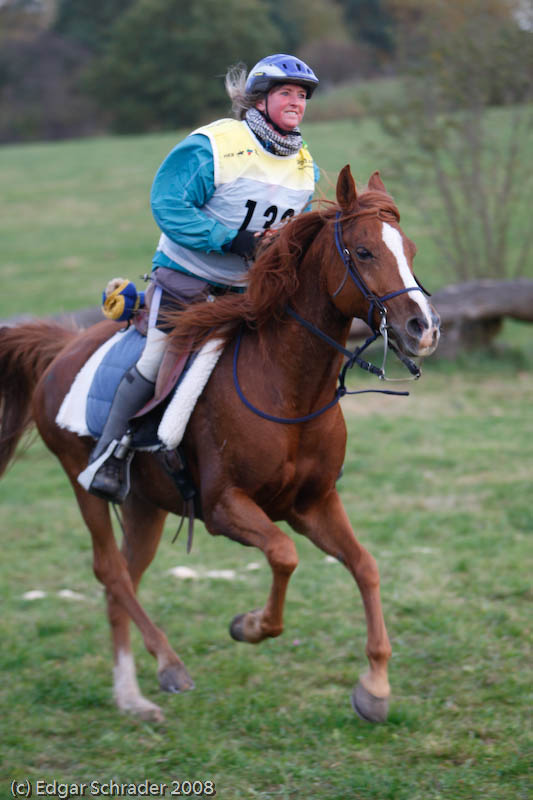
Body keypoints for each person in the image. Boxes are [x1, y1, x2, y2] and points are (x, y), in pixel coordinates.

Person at [80, 54, 320, 502]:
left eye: (302, 95)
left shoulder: (306, 166)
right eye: (286, 92)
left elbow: (295, 231)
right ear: (260, 99)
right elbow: (169, 205)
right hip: (187, 281)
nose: (296, 102)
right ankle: (110, 453)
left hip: (250, 293)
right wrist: (234, 240)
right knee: (155, 359)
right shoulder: (213, 145)